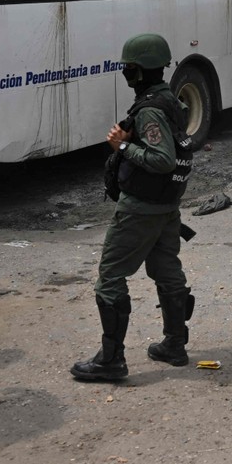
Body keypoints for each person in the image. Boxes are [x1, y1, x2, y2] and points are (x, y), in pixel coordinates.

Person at [70, 33, 194, 380]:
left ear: (138, 72)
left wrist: (122, 148)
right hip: (166, 207)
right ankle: (175, 344)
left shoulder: (150, 110)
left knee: (110, 277)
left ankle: (111, 360)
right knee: (167, 271)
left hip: (140, 209)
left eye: (129, 69)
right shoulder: (169, 99)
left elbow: (163, 159)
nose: (126, 74)